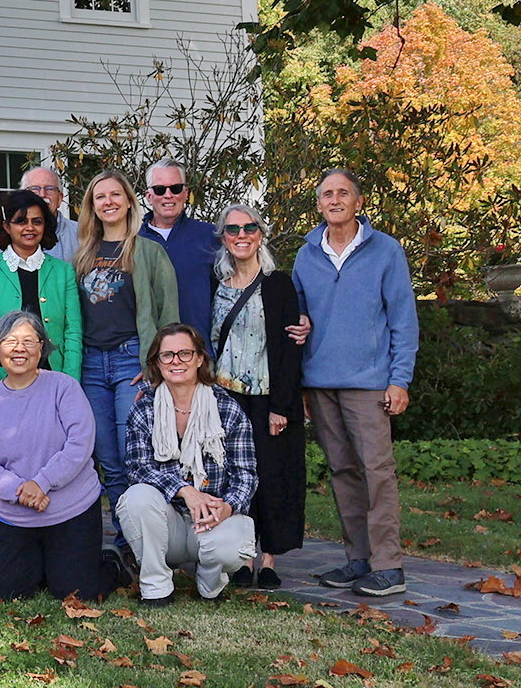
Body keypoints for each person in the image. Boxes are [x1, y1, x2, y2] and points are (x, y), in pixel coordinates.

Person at [292, 168, 418, 598]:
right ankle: (359, 560)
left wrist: (399, 379)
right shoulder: (306, 255)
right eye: (326, 194)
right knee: (343, 471)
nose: (334, 199)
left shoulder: (386, 251)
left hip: (369, 383)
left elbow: (404, 320)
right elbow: (298, 320)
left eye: (343, 192)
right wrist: (301, 384)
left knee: (377, 472)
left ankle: (389, 565)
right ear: (319, 204)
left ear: (358, 202)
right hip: (321, 383)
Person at [0, 309, 107, 601]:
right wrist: (18, 490)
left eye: (29, 341)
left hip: (71, 509)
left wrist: (41, 482)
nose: (20, 348)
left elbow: (80, 442)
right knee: (9, 595)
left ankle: (110, 564)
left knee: (75, 594)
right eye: (10, 340)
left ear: (42, 347)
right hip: (15, 514)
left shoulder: (63, 386)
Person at [71, 170, 179, 544]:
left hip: (131, 361)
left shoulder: (149, 251)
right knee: (108, 461)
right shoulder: (82, 256)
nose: (109, 202)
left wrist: (157, 367)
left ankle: (144, 543)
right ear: (92, 207)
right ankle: (125, 542)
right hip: (90, 365)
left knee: (134, 457)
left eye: (116, 195)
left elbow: (169, 318)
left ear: (130, 201)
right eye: (100, 197)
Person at [116, 323, 259, 605]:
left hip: (213, 518)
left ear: (199, 358)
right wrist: (185, 491)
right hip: (168, 523)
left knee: (231, 545)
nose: (176, 361)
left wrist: (227, 507)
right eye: (167, 355)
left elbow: (246, 475)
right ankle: (156, 588)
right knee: (136, 497)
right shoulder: (145, 407)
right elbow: (137, 467)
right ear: (157, 363)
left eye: (184, 353)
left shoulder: (226, 408)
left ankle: (210, 583)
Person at [211, 202, 306, 589]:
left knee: (271, 476)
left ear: (261, 234)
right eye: (233, 230)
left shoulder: (278, 283)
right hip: (225, 399)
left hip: (268, 398)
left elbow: (289, 349)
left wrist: (283, 405)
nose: (242, 236)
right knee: (233, 476)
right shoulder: (212, 282)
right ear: (223, 238)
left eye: (249, 228)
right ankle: (241, 557)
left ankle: (267, 559)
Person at [0, 189, 82, 392]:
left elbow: (73, 332)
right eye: (21, 221)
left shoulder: (63, 271)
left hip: (53, 379)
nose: (30, 227)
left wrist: (70, 383)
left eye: (37, 221)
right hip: (0, 380)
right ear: (6, 226)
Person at [139, 160, 221, 336]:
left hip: (200, 351)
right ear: (149, 196)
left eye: (175, 188)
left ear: (185, 193)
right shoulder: (133, 241)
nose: (168, 195)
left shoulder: (211, 236)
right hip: (149, 353)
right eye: (160, 189)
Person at [19, 166, 79, 262]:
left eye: (49, 189)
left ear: (60, 198)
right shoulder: (4, 235)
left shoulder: (81, 234)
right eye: (35, 189)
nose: (42, 194)